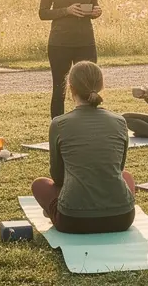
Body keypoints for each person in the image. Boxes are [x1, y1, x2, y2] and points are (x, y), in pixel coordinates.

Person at [31, 61, 136, 234]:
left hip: (73, 221)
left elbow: (57, 176)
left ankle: (53, 210)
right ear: (101, 86)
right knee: (126, 176)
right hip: (122, 218)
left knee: (39, 184)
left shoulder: (59, 123)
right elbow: (118, 168)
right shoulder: (119, 121)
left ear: (71, 88)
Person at [39, 0, 102, 118]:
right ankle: (57, 128)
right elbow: (43, 13)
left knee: (90, 87)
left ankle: (89, 126)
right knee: (59, 88)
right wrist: (67, 10)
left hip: (86, 41)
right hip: (60, 43)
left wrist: (96, 11)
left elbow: (94, 5)